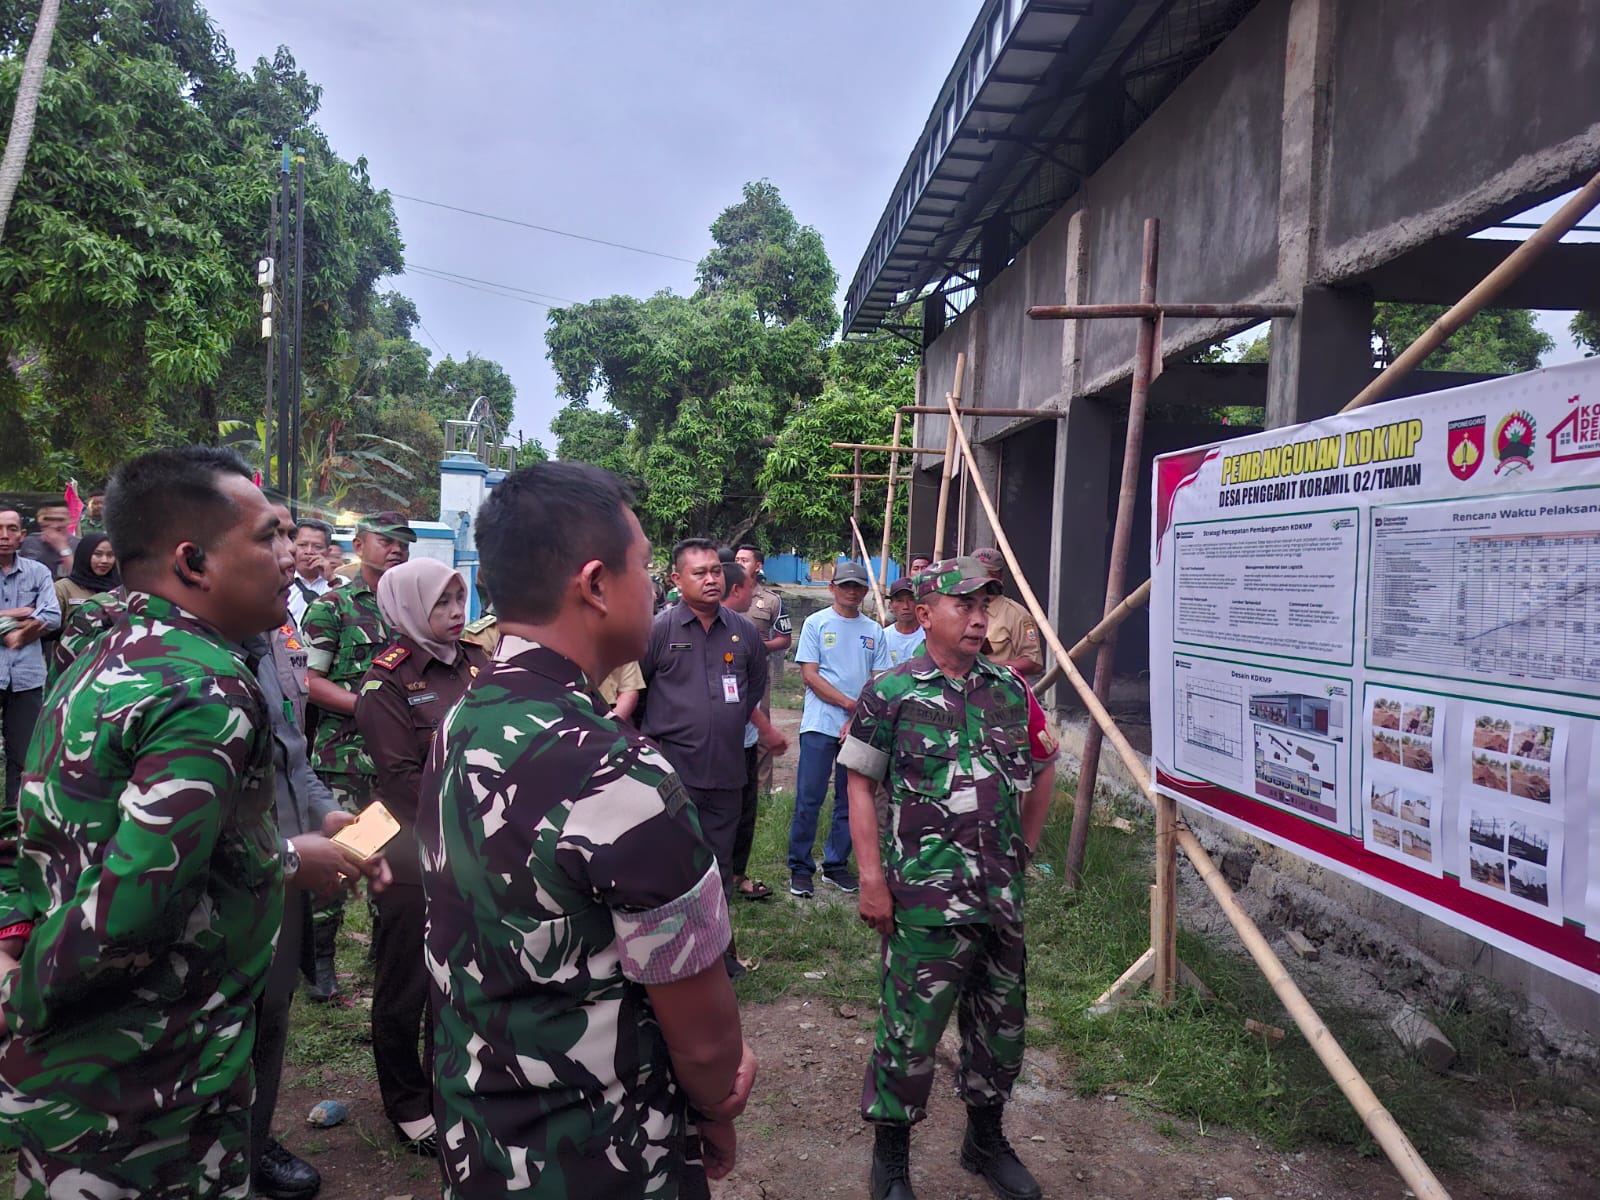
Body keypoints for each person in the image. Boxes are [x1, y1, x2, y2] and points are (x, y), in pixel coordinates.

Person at [420, 461, 755, 1197]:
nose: (657, 589)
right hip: (601, 1155)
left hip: (479, 1134)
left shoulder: (461, 722)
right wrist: (716, 1106)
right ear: (597, 584)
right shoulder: (619, 774)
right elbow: (702, 1037)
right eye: (646, 568)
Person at [0, 448, 293, 1196]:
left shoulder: (112, 654)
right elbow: (133, 898)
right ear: (193, 561)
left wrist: (286, 857)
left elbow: (50, 831)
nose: (289, 556)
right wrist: (19, 1000)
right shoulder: (203, 687)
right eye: (268, 537)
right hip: (148, 1083)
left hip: (90, 1079)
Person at [838, 556, 1059, 1200]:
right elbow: (858, 783)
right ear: (925, 612)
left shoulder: (1009, 688)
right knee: (911, 1032)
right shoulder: (893, 691)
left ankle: (984, 1141)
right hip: (925, 897)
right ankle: (892, 1159)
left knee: (1001, 1028)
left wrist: (1027, 845)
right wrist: (873, 879)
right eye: (964, 606)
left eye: (984, 606)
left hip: (1000, 896)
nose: (978, 617)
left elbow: (1043, 764)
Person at [252, 501, 390, 1200]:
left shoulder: (274, 641)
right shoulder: (152, 671)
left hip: (346, 796)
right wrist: (286, 856)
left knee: (268, 1018)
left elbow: (290, 753)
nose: (296, 556)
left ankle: (253, 1142)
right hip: (217, 900)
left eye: (295, 540)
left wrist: (327, 815)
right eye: (271, 540)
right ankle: (326, 969)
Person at [355, 559, 489, 1157]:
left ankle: (447, 1084)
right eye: (443, 604)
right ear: (410, 608)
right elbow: (399, 778)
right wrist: (467, 824)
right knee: (406, 980)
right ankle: (407, 1103)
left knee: (458, 975)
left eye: (461, 600)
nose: (457, 614)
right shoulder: (386, 682)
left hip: (475, 846)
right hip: (411, 851)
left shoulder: (477, 665)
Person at [301, 511, 414, 1000]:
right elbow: (310, 682)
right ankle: (322, 961)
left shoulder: (411, 607)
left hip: (395, 760)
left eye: (403, 542)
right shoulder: (334, 607)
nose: (395, 549)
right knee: (339, 856)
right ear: (360, 544)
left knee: (388, 853)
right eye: (385, 541)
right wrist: (372, 708)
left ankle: (382, 951)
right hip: (344, 758)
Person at [639, 538, 768, 921]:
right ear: (677, 579)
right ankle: (670, 958)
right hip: (672, 774)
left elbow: (752, 690)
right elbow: (635, 693)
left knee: (718, 867)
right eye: (700, 573)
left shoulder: (744, 633)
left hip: (727, 773)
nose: (712, 579)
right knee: (670, 867)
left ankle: (717, 953)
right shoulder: (658, 630)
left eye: (716, 570)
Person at [786, 561, 891, 898]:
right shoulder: (817, 623)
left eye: (857, 586)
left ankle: (836, 866)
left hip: (859, 727)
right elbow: (810, 676)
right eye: (844, 585)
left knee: (852, 799)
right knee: (809, 798)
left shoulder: (874, 630)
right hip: (820, 724)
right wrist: (849, 706)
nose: (851, 591)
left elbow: (879, 680)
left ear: (864, 591)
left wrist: (857, 716)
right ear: (832, 588)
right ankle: (800, 868)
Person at [722, 562, 788, 906]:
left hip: (745, 740)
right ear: (736, 590)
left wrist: (762, 729)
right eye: (750, 586)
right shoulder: (689, 628)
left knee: (745, 811)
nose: (755, 591)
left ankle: (736, 875)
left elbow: (751, 688)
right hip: (710, 744)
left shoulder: (746, 633)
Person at [0, 510, 59, 808]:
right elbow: (40, 616)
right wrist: (21, 614)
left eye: (12, 529)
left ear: (23, 536)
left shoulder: (38, 572)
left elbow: (52, 616)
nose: (4, 535)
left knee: (23, 757)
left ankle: (12, 825)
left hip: (26, 677)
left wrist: (19, 634)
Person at [734, 543, 792, 796]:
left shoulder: (771, 600)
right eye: (736, 559)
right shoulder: (723, 595)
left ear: (758, 566)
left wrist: (758, 647)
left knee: (760, 730)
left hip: (757, 675)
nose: (739, 564)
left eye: (744, 560)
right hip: (724, 673)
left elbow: (784, 639)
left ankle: (762, 792)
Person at [970, 548, 1044, 679]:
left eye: (988, 574)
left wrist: (991, 665)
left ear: (1000, 577)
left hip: (999, 691)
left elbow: (1034, 663)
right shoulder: (958, 609)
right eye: (977, 573)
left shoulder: (1017, 614)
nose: (982, 579)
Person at [52, 529, 120, 614]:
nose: (104, 560)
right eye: (98, 554)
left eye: (110, 555)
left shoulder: (121, 589)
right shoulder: (63, 588)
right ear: (85, 555)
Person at [288, 517, 334, 625]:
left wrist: (332, 579)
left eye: (317, 547)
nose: (309, 552)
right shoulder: (280, 582)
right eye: (302, 545)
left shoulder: (341, 584)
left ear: (328, 551)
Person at [17, 503, 77, 579]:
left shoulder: (80, 544)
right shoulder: (29, 541)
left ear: (69, 520)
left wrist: (63, 548)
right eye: (48, 519)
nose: (54, 525)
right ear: (39, 520)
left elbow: (80, 577)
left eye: (60, 520)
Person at [881, 576, 926, 666]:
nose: (905, 606)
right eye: (899, 600)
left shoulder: (929, 636)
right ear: (891, 606)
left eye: (911, 600)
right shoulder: (883, 637)